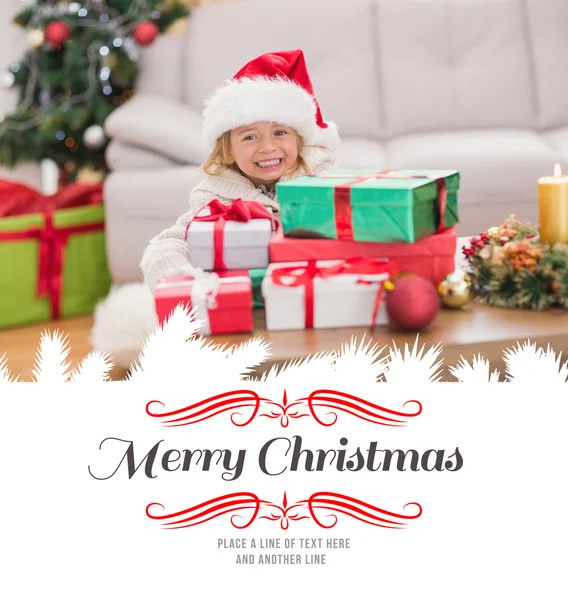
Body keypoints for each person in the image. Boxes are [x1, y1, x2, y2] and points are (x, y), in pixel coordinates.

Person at [140, 48, 340, 290]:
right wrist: (181, 278)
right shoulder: (214, 195)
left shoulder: (321, 179)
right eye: (250, 137)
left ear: (299, 141)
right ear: (228, 151)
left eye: (280, 133)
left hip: (308, 289)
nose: (267, 147)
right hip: (245, 294)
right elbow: (171, 242)